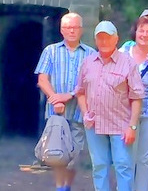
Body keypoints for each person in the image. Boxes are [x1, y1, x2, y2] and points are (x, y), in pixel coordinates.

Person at [76, 21, 145, 191]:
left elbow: (136, 97)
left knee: (123, 167)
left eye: (108, 37)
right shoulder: (88, 62)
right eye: (100, 38)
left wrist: (132, 126)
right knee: (99, 167)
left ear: (116, 39)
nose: (104, 41)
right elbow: (80, 92)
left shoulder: (128, 63)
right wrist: (85, 114)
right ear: (95, 40)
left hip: (120, 125)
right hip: (94, 124)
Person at [35, 13, 95, 191]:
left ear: (81, 30)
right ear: (62, 30)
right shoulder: (50, 51)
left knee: (74, 155)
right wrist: (55, 98)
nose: (71, 31)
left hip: (78, 111)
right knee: (58, 153)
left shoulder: (91, 54)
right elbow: (42, 79)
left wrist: (68, 95)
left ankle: (67, 185)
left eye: (75, 27)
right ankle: (60, 187)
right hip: (56, 112)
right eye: (68, 27)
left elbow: (90, 82)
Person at [119, 17, 148, 191]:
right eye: (141, 30)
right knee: (126, 159)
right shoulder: (124, 53)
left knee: (145, 160)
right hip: (127, 113)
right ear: (135, 32)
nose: (144, 34)